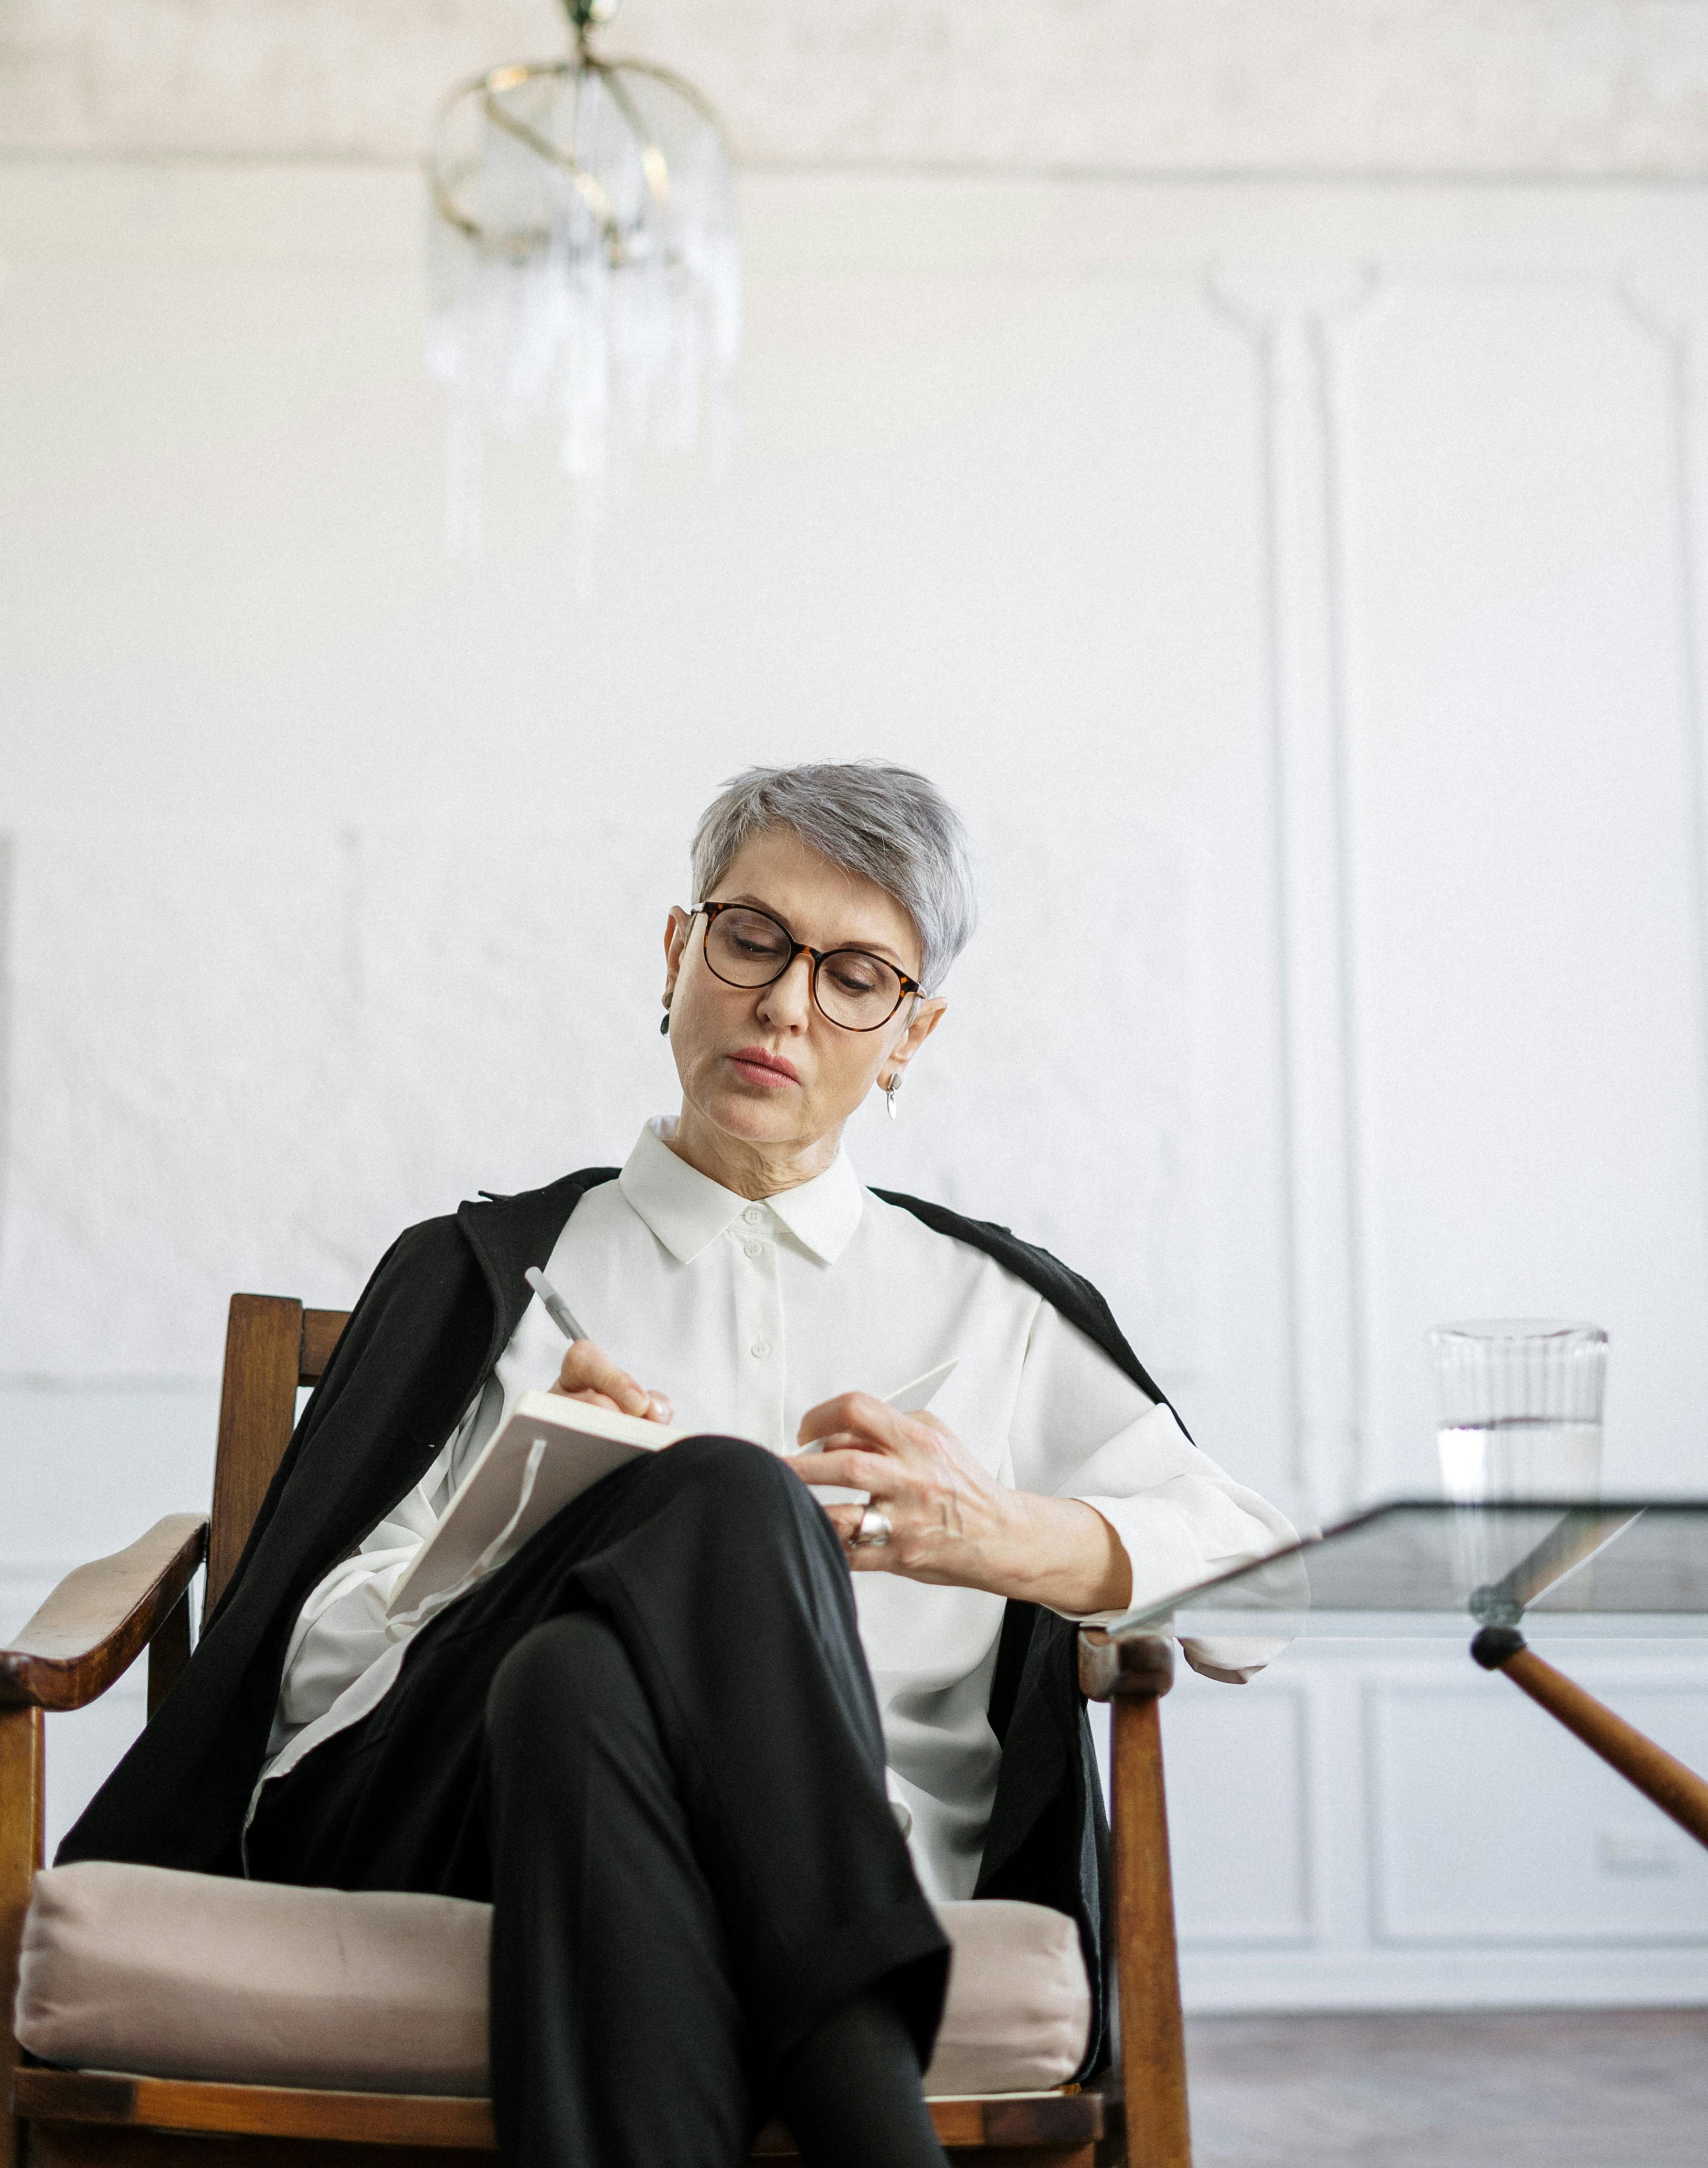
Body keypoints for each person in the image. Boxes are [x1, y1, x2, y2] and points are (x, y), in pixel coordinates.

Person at [63, 761, 1290, 2168]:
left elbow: (1266, 1596)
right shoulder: (493, 1276)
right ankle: (869, 2117)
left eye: (857, 975)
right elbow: (309, 1673)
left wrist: (998, 1534)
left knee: (576, 1686)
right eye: (754, 938)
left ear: (913, 1033)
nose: (784, 1002)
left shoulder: (993, 1306)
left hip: (746, 1818)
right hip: (427, 1808)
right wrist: (522, 1518)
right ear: (679, 949)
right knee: (719, 1494)